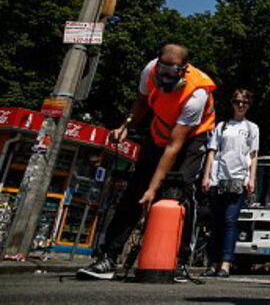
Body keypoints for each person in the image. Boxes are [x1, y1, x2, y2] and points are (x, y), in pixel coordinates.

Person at [77, 43, 216, 281]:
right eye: (162, 70)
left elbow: (174, 146)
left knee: (179, 191)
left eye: (171, 72)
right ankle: (108, 257)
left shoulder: (197, 93)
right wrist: (126, 125)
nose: (164, 77)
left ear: (183, 69)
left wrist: (154, 188)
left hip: (191, 138)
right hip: (159, 130)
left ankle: (180, 260)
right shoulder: (149, 71)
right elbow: (141, 102)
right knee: (135, 191)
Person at [200, 89, 260, 278]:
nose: (240, 105)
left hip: (238, 178)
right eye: (237, 102)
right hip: (218, 178)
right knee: (216, 222)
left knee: (230, 220)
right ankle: (213, 263)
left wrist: (251, 178)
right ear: (232, 103)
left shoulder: (252, 128)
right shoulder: (222, 126)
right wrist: (206, 176)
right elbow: (212, 151)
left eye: (244, 102)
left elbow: (253, 155)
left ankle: (226, 263)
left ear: (249, 105)